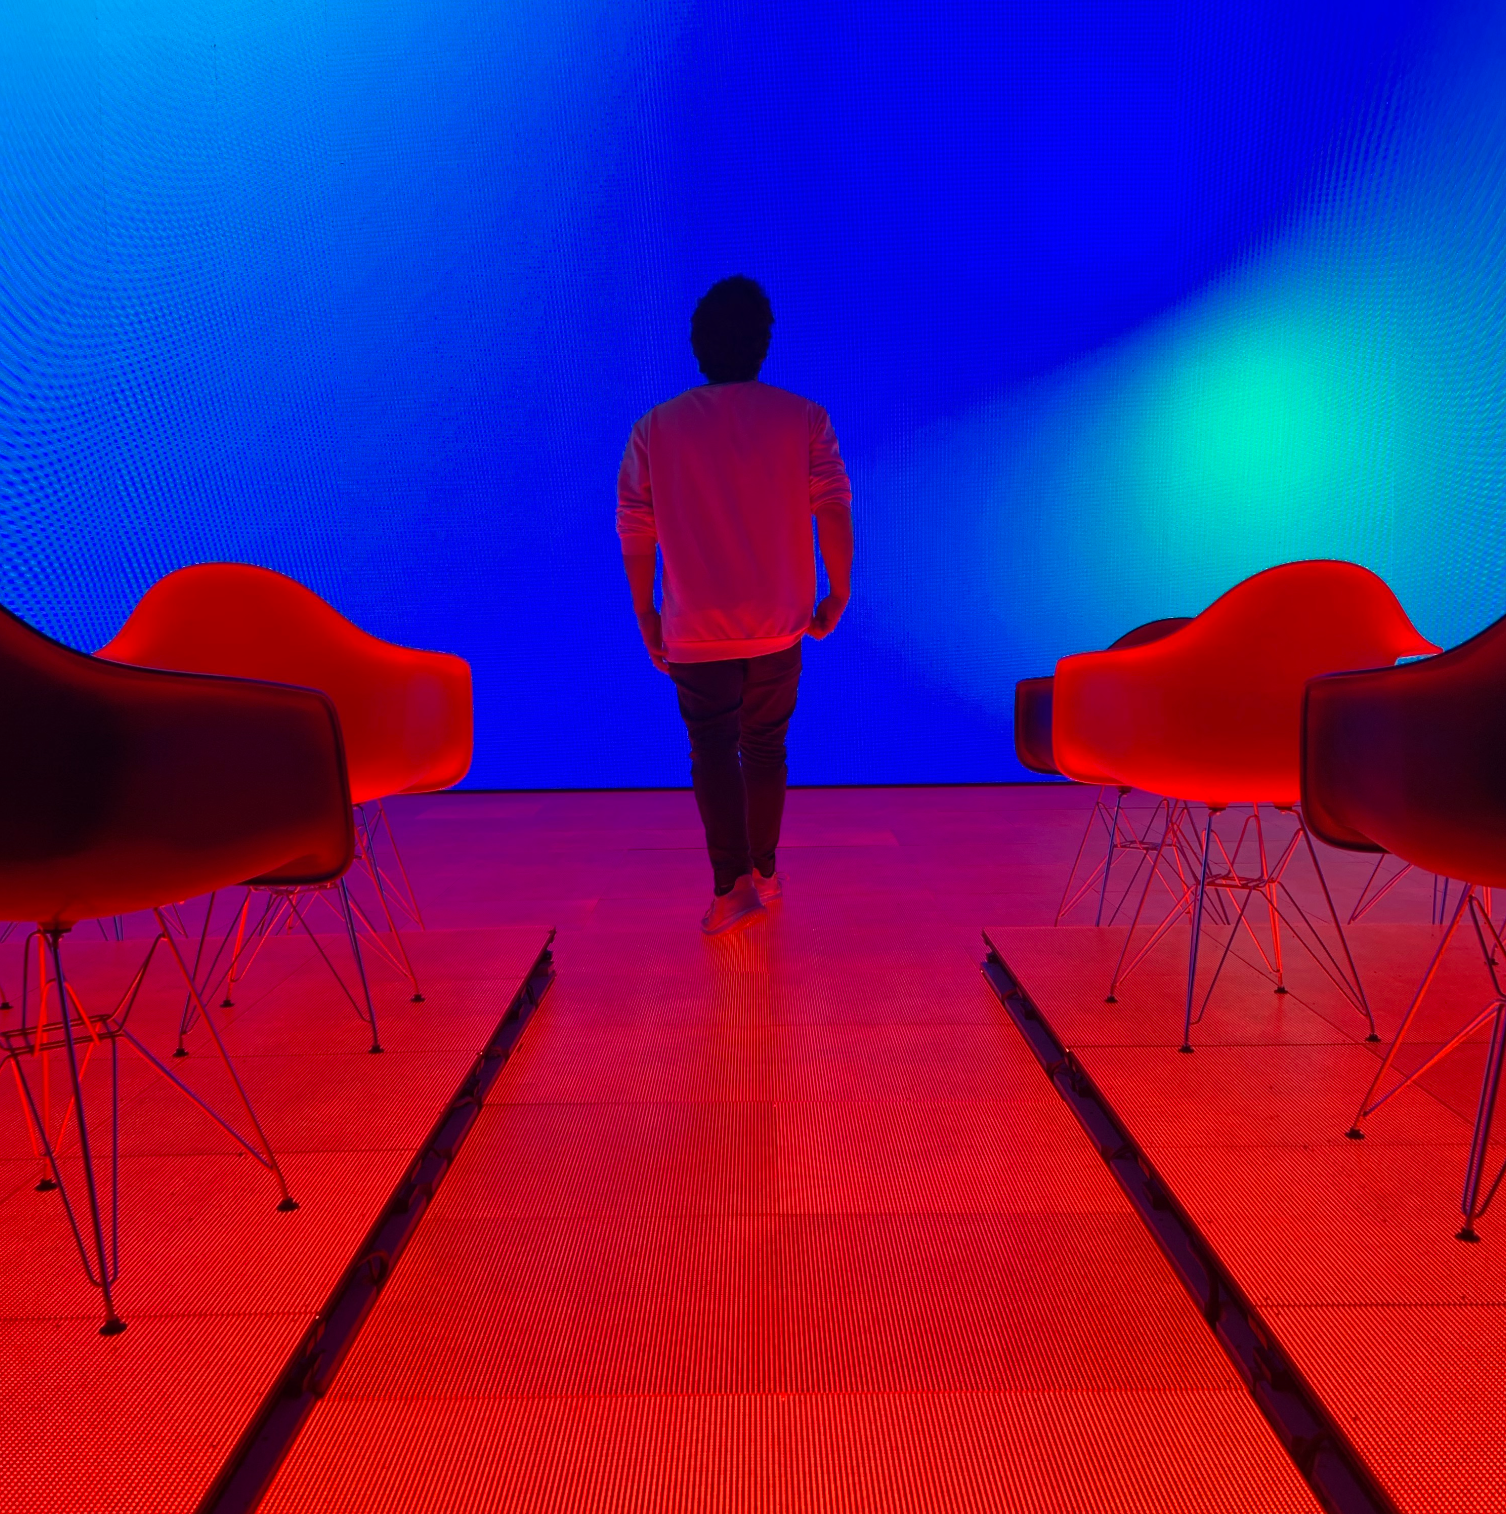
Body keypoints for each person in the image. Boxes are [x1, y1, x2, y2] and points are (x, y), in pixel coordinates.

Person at [616, 275, 854, 935]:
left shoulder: (654, 427)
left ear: (697, 346)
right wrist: (838, 591)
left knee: (713, 753)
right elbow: (833, 505)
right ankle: (766, 872)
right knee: (766, 748)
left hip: (694, 628)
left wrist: (647, 614)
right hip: (780, 623)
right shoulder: (804, 417)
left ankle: (732, 889)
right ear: (763, 343)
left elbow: (635, 526)